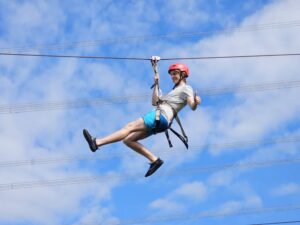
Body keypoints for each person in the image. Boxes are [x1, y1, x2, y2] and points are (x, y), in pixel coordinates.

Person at [83, 61, 201, 177]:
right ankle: (155, 160)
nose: (172, 76)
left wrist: (195, 102)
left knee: (129, 127)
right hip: (161, 122)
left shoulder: (187, 88)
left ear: (183, 74)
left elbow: (192, 105)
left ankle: (97, 143)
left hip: (160, 117)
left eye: (175, 73)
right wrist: (156, 83)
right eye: (171, 74)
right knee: (128, 140)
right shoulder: (174, 92)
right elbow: (154, 102)